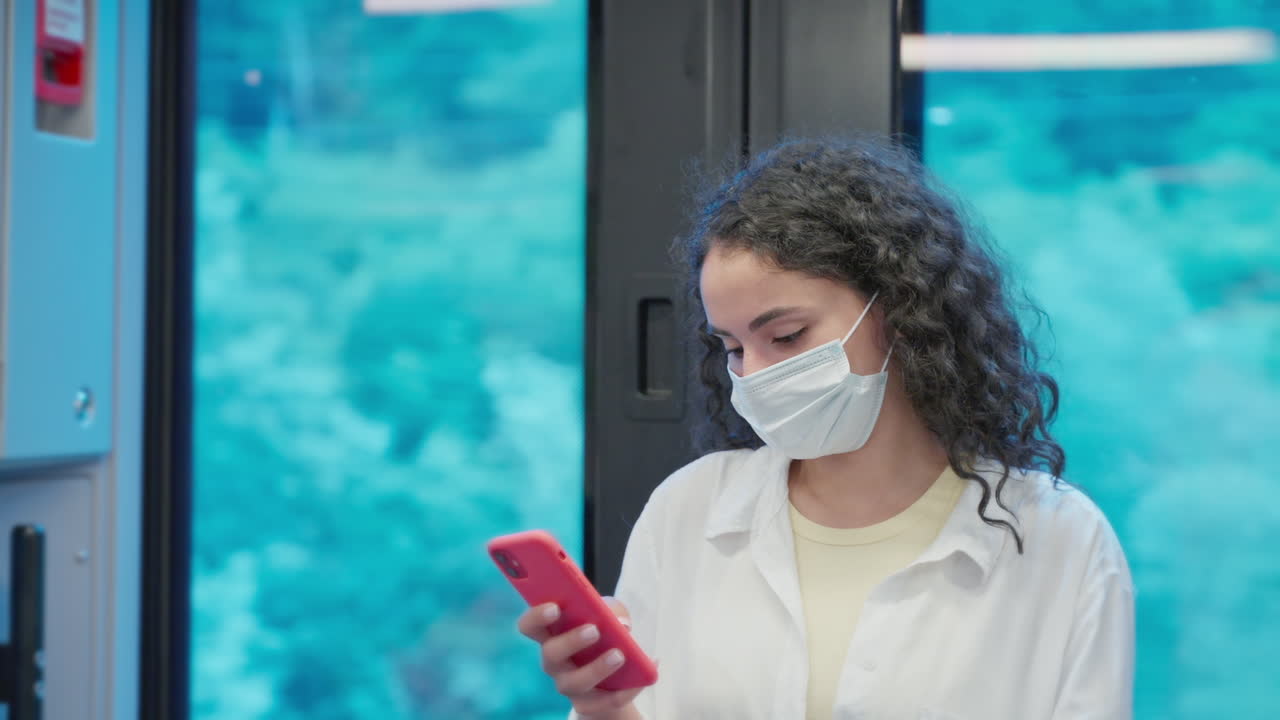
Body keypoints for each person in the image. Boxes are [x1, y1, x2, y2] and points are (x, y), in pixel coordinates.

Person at [516, 136, 1135, 719]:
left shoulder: (1061, 542)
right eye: (732, 348)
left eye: (786, 336)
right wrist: (606, 708)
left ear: (900, 308)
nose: (754, 377)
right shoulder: (690, 513)